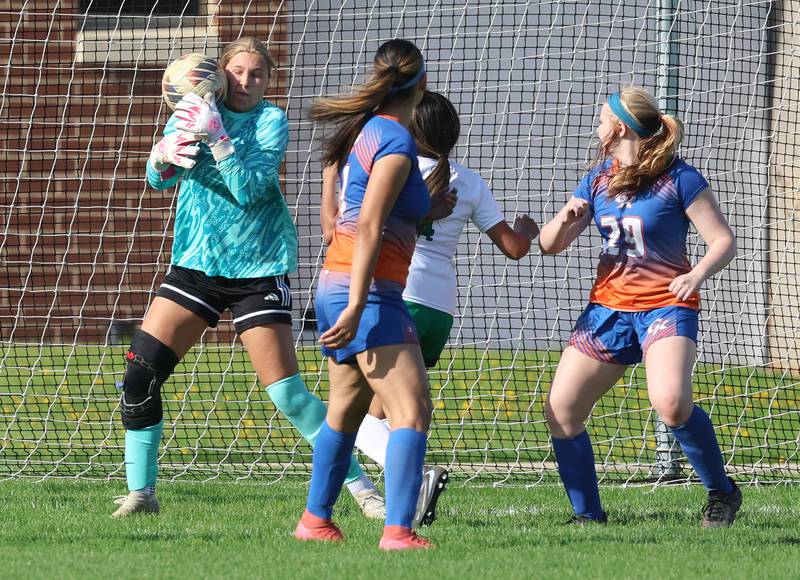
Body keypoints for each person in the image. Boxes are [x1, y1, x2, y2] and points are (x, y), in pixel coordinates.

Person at [112, 37, 383, 519]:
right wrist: (162, 156)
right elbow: (160, 180)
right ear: (220, 72)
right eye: (237, 70)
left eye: (257, 73)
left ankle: (364, 491)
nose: (245, 80)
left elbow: (249, 189)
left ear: (268, 80)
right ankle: (141, 495)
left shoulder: (270, 121)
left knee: (289, 396)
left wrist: (218, 137)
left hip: (257, 269)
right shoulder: (195, 109)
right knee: (139, 375)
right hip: (195, 265)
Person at [539, 86, 741, 527]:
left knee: (670, 403)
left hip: (665, 308)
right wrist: (566, 216)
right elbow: (549, 246)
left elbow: (722, 241)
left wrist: (696, 274)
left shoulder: (680, 177)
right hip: (607, 311)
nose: (596, 128)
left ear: (619, 127)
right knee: (561, 410)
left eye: (600, 120)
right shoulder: (596, 179)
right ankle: (587, 517)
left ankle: (722, 494)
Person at [341, 91, 540, 527]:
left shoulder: (393, 169)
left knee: (347, 413)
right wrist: (527, 230)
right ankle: (407, 502)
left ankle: (415, 478)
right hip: (438, 311)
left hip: (394, 296)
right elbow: (514, 247)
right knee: (385, 409)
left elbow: (365, 224)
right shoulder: (468, 181)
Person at [294, 39, 434, 551]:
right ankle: (398, 531)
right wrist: (357, 307)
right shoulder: (396, 143)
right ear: (420, 84)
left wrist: (428, 207)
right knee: (412, 411)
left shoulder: (367, 130)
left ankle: (315, 520)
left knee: (345, 411)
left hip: (338, 280)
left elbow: (371, 210)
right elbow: (370, 225)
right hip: (366, 291)